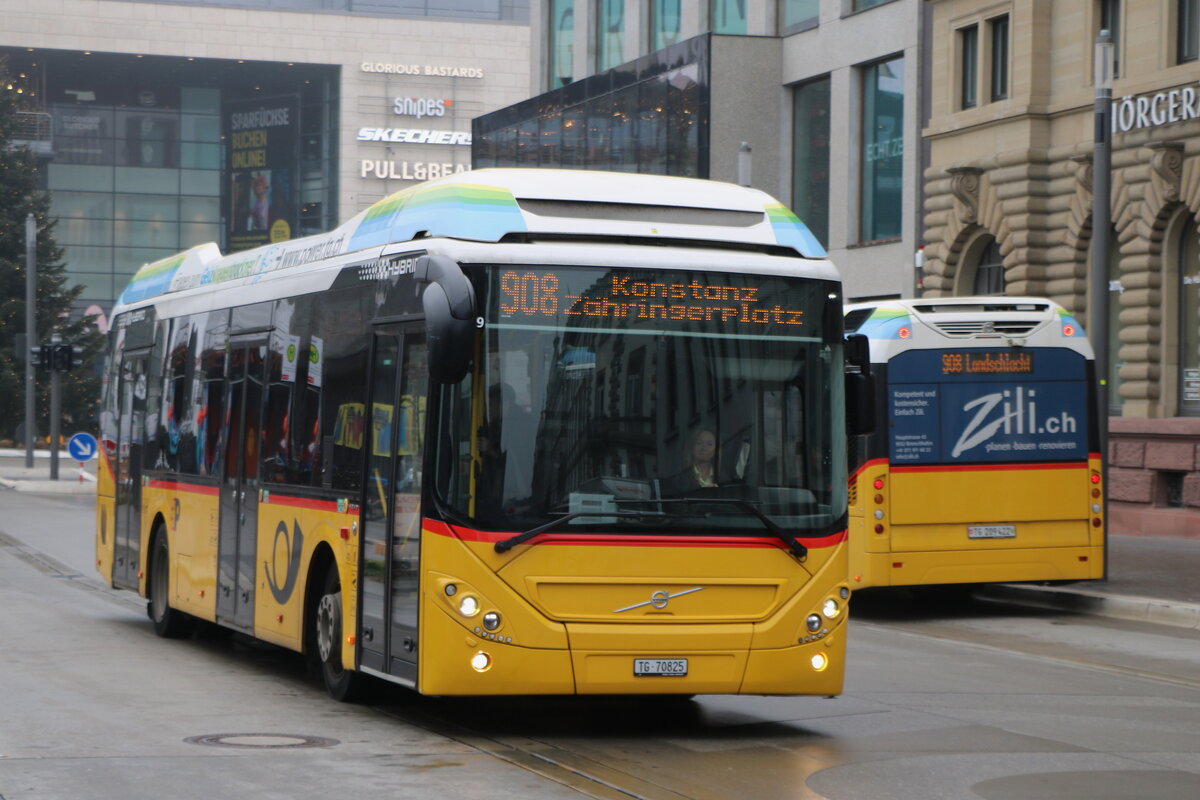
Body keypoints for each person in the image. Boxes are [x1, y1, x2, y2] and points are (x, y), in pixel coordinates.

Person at [662, 426, 720, 496]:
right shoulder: (679, 479)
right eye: (699, 443)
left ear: (716, 450)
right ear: (692, 447)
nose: (704, 447)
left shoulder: (723, 478)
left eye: (709, 444)